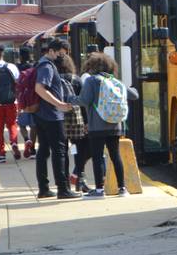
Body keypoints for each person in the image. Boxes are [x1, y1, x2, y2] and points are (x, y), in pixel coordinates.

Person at [74, 52, 137, 198]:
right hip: (115, 125)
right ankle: (122, 189)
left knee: (97, 156)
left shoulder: (92, 81)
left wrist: (70, 99)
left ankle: (99, 190)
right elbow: (134, 96)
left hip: (97, 125)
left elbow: (84, 100)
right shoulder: (115, 81)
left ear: (91, 66)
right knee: (115, 155)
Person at [33, 39, 79, 199]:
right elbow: (39, 88)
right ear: (51, 51)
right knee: (59, 151)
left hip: (41, 115)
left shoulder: (41, 63)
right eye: (60, 54)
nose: (62, 58)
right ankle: (63, 189)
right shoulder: (47, 66)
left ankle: (44, 188)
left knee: (44, 150)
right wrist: (59, 103)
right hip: (52, 116)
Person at [55, 53, 90, 193]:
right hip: (75, 121)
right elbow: (83, 103)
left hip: (58, 120)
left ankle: (63, 184)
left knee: (61, 152)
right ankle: (79, 179)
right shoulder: (76, 79)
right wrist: (86, 122)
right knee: (79, 151)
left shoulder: (53, 79)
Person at [16, 46, 38, 158]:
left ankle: (26, 139)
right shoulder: (34, 67)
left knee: (22, 124)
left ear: (20, 56)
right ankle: (33, 149)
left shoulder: (17, 67)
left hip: (22, 100)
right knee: (34, 125)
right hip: (33, 100)